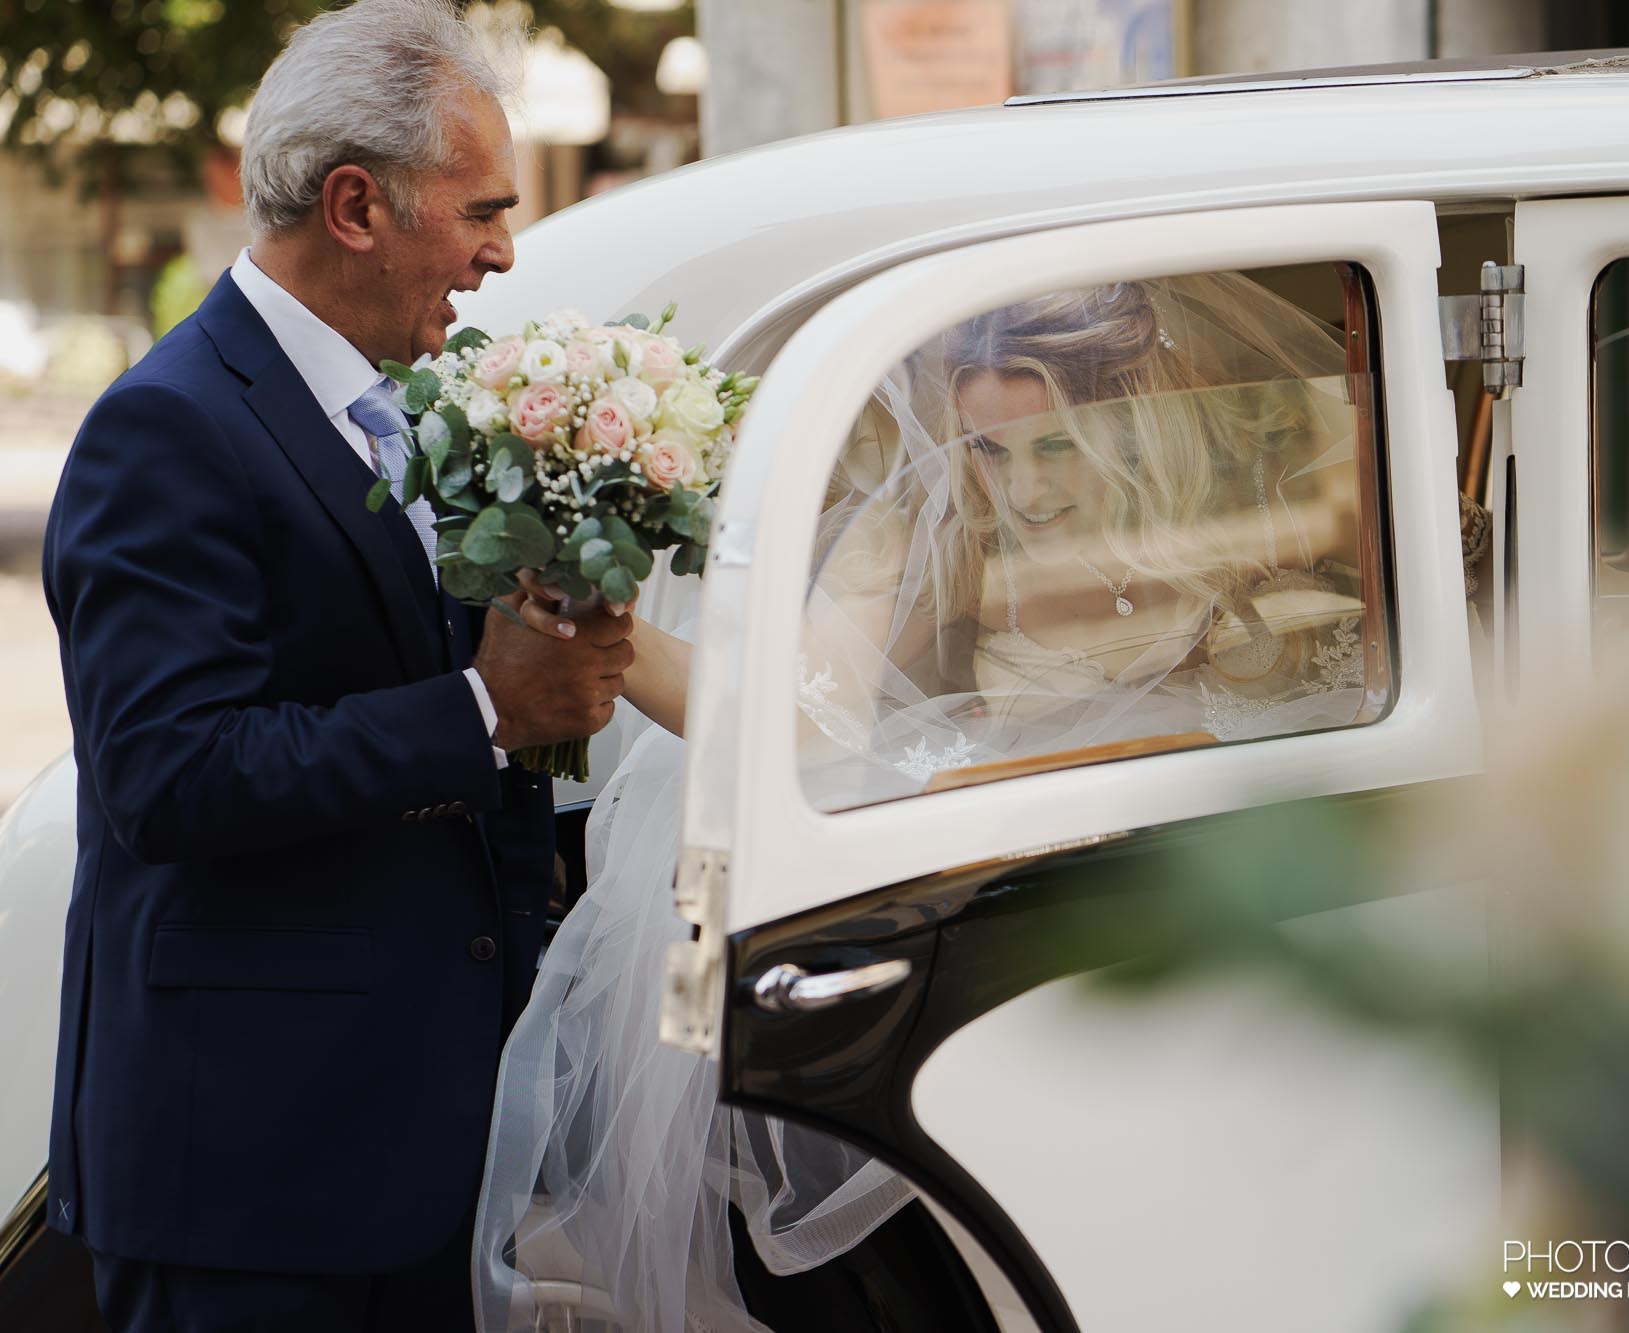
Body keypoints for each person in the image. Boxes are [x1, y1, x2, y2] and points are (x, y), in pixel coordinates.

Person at [473, 273, 1373, 1331]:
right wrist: (591, 610)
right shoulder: (923, 533)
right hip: (1008, 947)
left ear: (1134, 429)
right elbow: (789, 716)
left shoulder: (1240, 531)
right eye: (989, 450)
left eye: (1054, 446)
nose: (1024, 490)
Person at [40, 3, 633, 1329]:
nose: (501, 252)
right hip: (248, 1178)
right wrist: (484, 708)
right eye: (480, 209)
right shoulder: (167, 428)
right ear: (355, 205)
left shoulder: (411, 402)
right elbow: (169, 774)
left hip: (416, 1151)